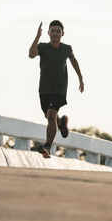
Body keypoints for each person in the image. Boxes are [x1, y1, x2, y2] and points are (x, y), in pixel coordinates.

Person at [28, 20, 84, 158]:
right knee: (49, 116)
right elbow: (31, 54)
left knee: (51, 114)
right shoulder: (42, 47)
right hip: (44, 89)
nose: (55, 33)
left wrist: (80, 78)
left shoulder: (66, 48)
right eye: (52, 31)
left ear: (62, 34)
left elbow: (73, 60)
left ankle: (47, 146)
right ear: (48, 33)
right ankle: (61, 123)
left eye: (58, 31)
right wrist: (37, 36)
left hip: (59, 89)